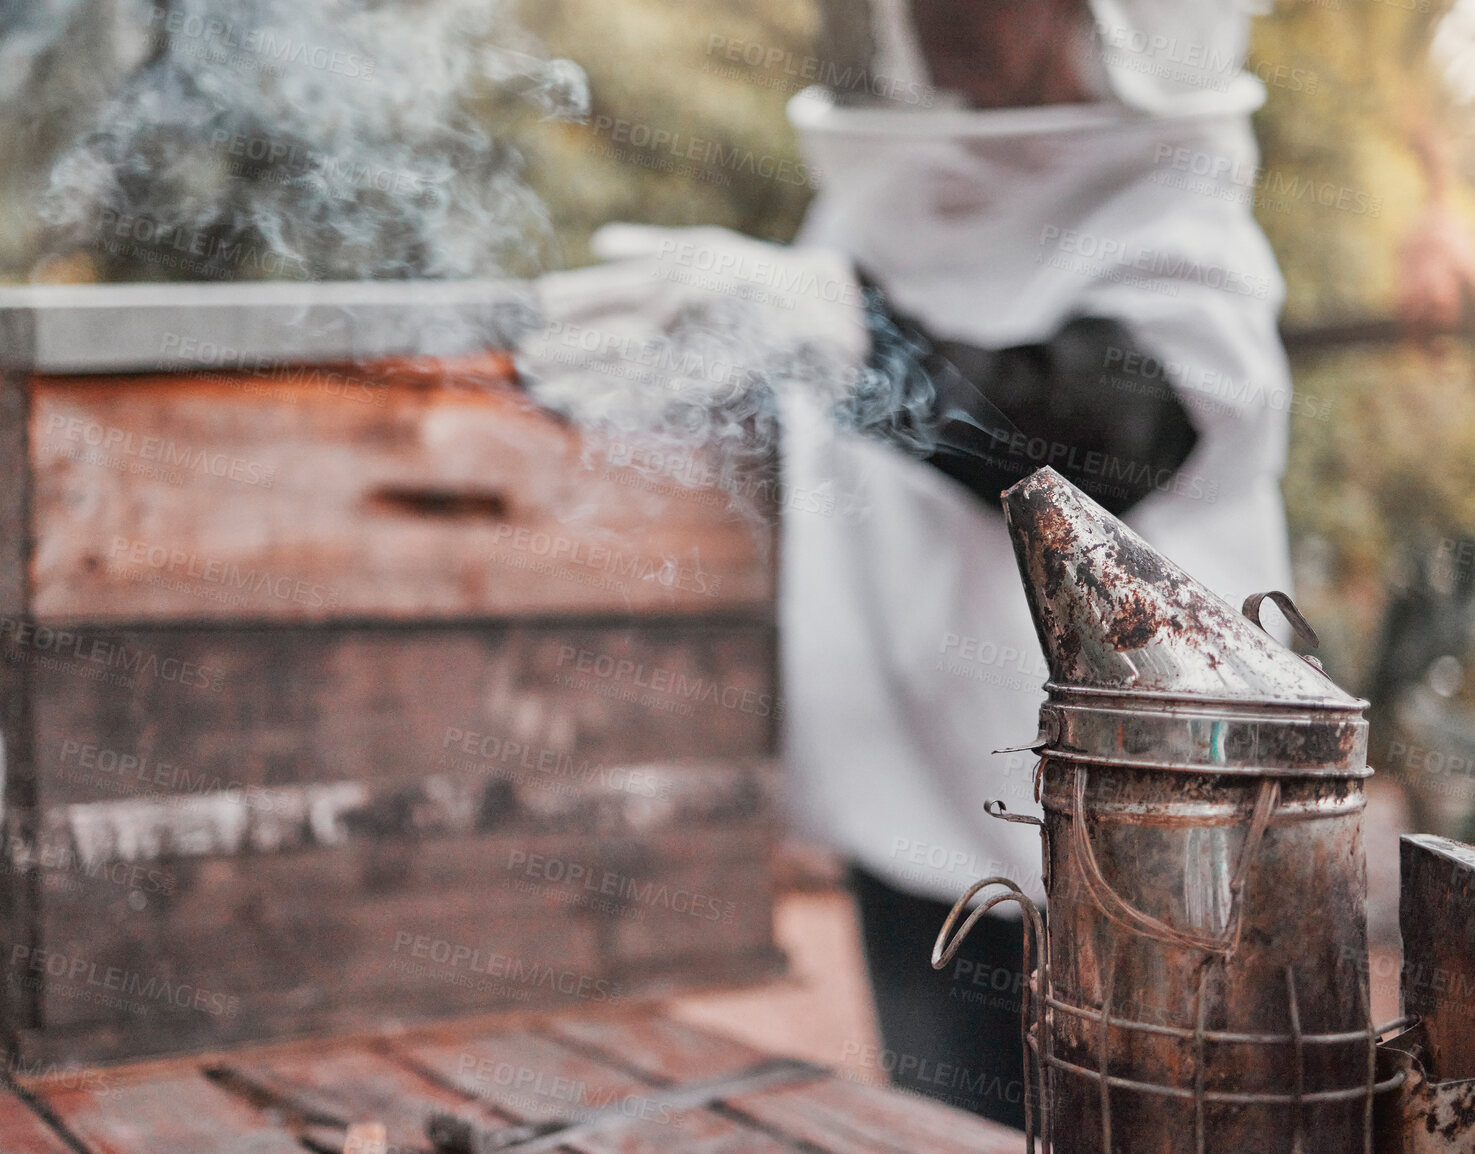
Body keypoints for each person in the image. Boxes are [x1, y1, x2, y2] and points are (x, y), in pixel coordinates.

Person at [521, 0, 1293, 1130]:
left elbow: (1101, 446)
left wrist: (853, 332)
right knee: (945, 1120)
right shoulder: (882, 197)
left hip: (1134, 823)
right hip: (906, 781)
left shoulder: (1182, 219)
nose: (942, 17)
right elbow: (833, 436)